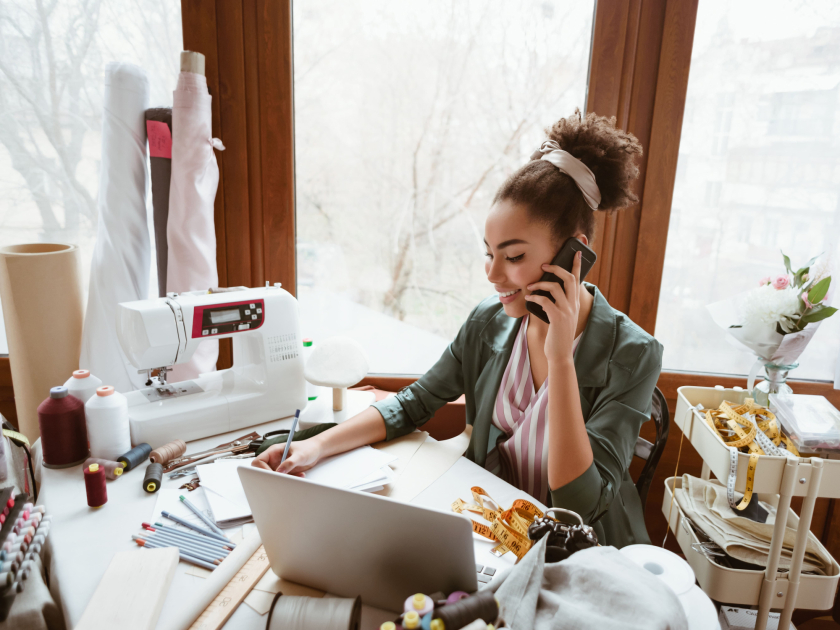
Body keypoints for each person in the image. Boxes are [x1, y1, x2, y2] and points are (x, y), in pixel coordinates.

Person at [254, 110, 663, 547]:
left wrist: (561, 360)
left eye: (514, 256)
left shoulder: (635, 354)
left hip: (580, 551)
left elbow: (580, 505)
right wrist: (315, 448)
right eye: (489, 253)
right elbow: (414, 404)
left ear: (574, 250)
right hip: (497, 530)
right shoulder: (489, 321)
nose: (492, 274)